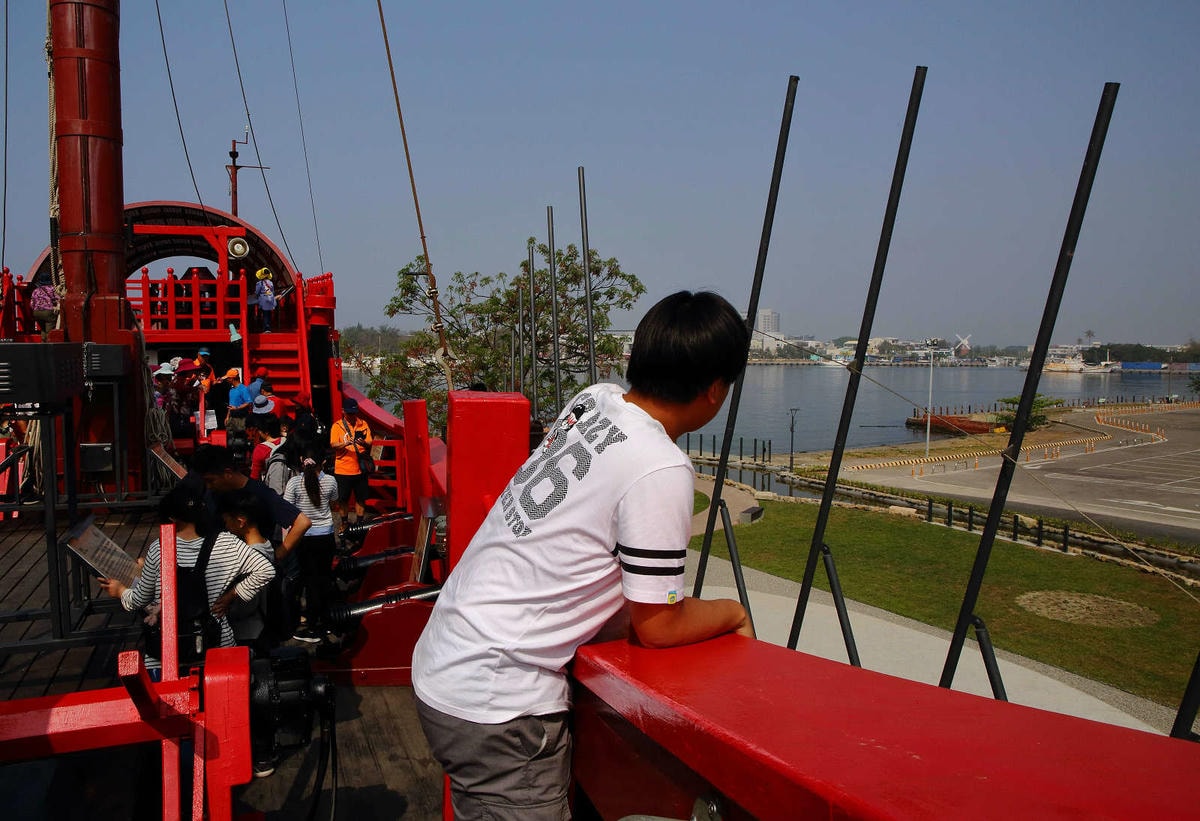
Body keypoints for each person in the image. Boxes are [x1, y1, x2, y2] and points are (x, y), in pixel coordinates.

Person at [411, 290, 755, 820]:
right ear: (715, 390)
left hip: (447, 659)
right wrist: (733, 612)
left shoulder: (594, 401)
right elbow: (659, 624)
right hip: (499, 705)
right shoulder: (660, 466)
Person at [98, 482, 275, 673]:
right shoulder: (227, 542)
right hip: (216, 646)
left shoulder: (159, 549)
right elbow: (266, 570)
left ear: (172, 518)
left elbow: (139, 600)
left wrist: (120, 591)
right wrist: (231, 594)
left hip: (167, 652)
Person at [282, 446, 339, 643]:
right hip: (326, 536)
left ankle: (313, 626)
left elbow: (287, 510)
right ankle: (325, 620)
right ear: (323, 462)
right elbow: (334, 501)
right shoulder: (330, 481)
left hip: (304, 537)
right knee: (324, 579)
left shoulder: (294, 483)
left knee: (309, 581)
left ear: (301, 459)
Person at [330, 397, 372, 530]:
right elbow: (333, 444)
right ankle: (344, 522)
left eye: (354, 413)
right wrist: (345, 443)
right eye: (349, 413)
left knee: (361, 498)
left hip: (360, 468)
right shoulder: (337, 426)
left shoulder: (363, 424)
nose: (352, 416)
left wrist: (363, 443)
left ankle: (359, 523)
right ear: (343, 412)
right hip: (343, 469)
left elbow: (370, 442)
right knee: (343, 499)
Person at [29, 272, 59, 341]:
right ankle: (49, 345)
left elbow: (31, 304)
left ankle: (43, 343)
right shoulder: (51, 288)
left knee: (43, 329)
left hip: (36, 313)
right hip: (47, 312)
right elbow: (58, 298)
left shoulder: (35, 291)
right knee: (49, 330)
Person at [224, 368, 252, 434]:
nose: (227, 380)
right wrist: (227, 417)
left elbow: (248, 402)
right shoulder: (231, 390)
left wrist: (236, 408)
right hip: (231, 418)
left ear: (232, 379)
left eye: (228, 378)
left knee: (240, 438)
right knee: (230, 438)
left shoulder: (243, 389)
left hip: (241, 419)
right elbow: (230, 404)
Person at [255, 267, 277, 333]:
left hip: (263, 300)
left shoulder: (259, 283)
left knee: (264, 314)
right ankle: (269, 327)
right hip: (270, 299)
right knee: (268, 314)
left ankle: (265, 328)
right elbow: (272, 291)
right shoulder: (271, 283)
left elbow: (257, 292)